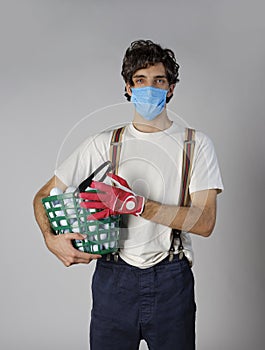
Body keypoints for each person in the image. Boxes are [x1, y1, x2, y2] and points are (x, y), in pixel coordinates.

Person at [33, 39, 224, 350]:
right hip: (113, 280)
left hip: (171, 280)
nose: (149, 88)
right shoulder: (105, 143)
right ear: (128, 87)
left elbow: (205, 222)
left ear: (171, 88)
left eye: (158, 80)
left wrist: (138, 205)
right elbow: (42, 196)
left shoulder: (195, 145)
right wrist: (50, 237)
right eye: (140, 80)